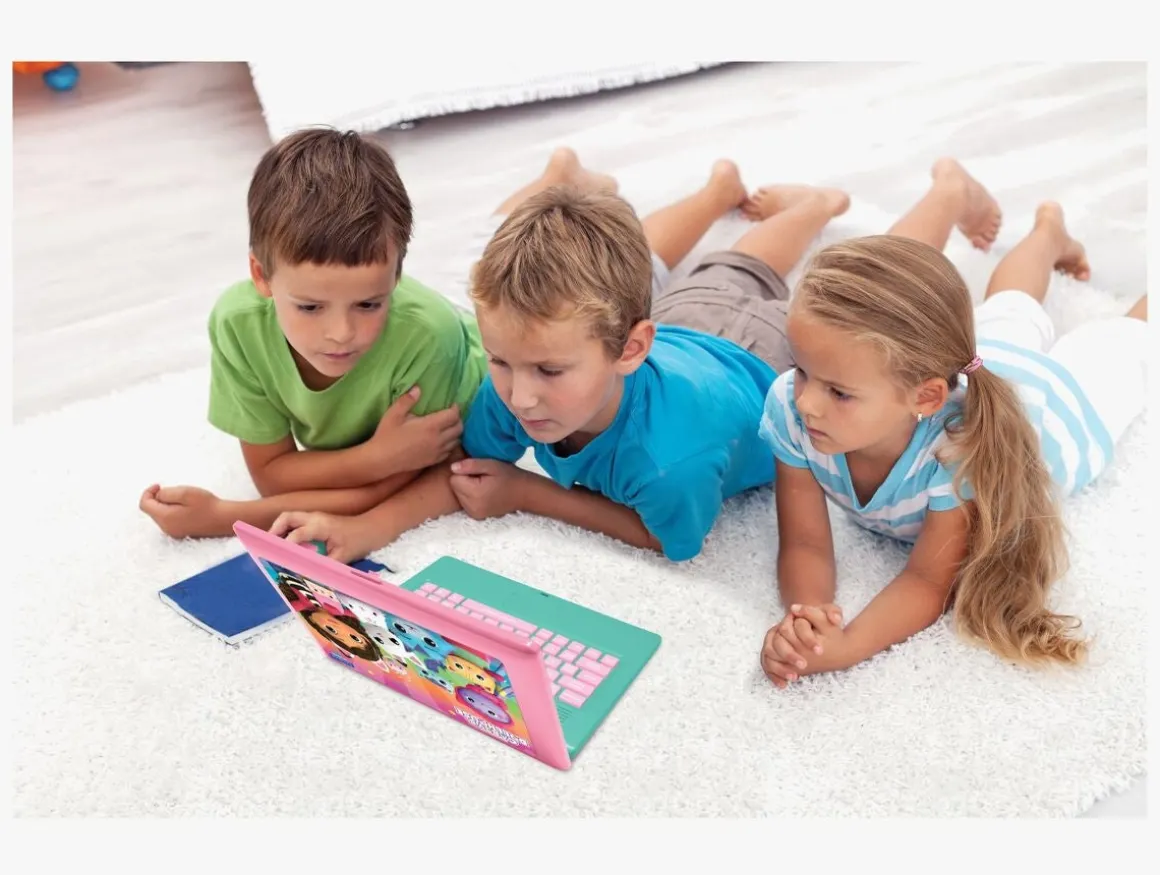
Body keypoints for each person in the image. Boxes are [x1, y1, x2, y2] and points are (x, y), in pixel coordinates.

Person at [269, 154, 1004, 563]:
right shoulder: (524, 371)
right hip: (682, 329)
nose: (519, 397)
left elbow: (667, 538)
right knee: (719, 268)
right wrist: (370, 529)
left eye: (547, 372)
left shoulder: (668, 463)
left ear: (629, 349)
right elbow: (461, 470)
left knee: (865, 299)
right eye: (500, 362)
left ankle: (938, 193)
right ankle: (744, 195)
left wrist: (528, 493)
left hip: (758, 356)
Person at [758, 174, 1147, 688]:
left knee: (1129, 338)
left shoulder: (959, 451)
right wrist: (809, 620)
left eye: (839, 392)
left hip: (1057, 413)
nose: (805, 400)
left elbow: (926, 581)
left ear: (924, 397)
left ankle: (1055, 238)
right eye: (800, 369)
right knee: (1010, 305)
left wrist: (848, 646)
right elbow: (805, 542)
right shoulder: (795, 406)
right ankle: (1049, 231)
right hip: (988, 360)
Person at [138, 127, 487, 540]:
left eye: (368, 304)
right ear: (260, 276)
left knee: (501, 254)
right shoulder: (238, 325)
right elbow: (272, 476)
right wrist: (374, 458)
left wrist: (227, 518)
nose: (341, 334)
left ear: (397, 276)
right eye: (309, 307)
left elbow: (402, 485)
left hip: (474, 339)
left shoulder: (430, 337)